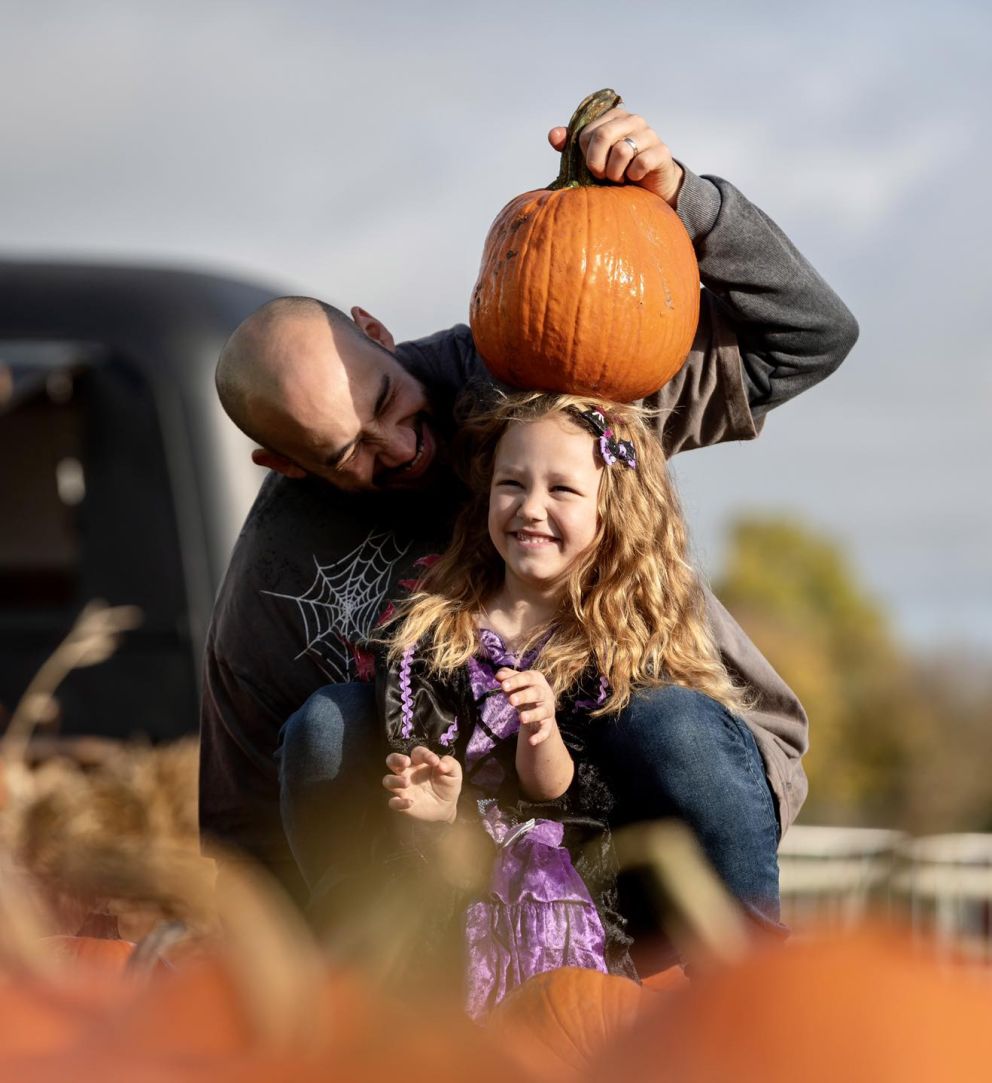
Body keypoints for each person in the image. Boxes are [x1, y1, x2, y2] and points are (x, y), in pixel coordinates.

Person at [201, 103, 859, 915]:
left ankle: (748, 993)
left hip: (644, 797)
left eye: (386, 398)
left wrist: (686, 201)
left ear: (375, 330)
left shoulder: (545, 374)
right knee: (326, 728)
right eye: (349, 455)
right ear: (284, 463)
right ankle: (368, 1011)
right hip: (466, 855)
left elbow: (810, 336)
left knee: (666, 723)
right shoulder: (277, 566)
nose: (399, 448)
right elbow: (239, 819)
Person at [374, 390, 751, 1014]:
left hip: (571, 888)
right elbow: (437, 823)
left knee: (570, 1026)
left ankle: (748, 984)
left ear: (611, 510)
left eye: (563, 490)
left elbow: (554, 794)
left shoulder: (611, 646)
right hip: (464, 892)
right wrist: (436, 809)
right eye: (512, 483)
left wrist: (541, 730)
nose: (531, 508)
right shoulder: (437, 639)